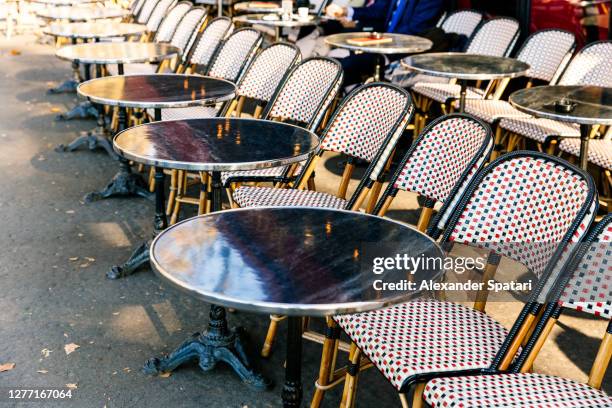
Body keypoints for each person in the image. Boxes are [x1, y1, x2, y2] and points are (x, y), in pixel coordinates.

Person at [324, 0, 444, 85]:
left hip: (403, 56)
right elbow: (379, 12)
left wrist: (382, 40)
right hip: (381, 48)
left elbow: (414, 32)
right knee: (333, 67)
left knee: (344, 68)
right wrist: (347, 11)